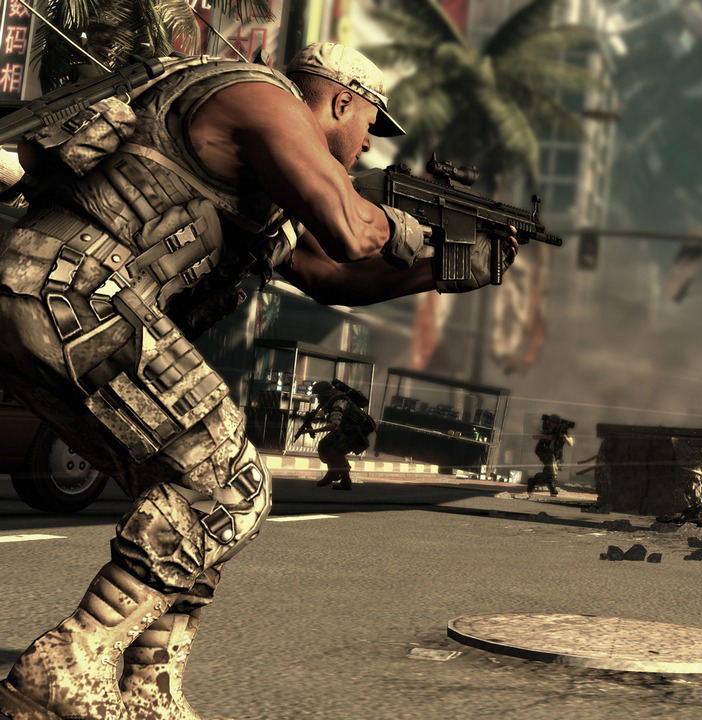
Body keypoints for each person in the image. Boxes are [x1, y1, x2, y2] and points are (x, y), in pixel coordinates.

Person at [0, 42, 517, 720]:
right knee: (227, 482)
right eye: (369, 126)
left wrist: (450, 269)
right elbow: (352, 230)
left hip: (50, 297)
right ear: (341, 102)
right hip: (77, 292)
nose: (367, 146)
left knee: (192, 498)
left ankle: (149, 689)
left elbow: (329, 276)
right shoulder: (261, 100)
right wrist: (414, 230)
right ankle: (71, 659)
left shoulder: (265, 177)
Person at [306, 380, 376, 491]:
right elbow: (324, 411)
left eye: (319, 394)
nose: (318, 398)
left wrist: (313, 430)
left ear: (325, 393)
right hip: (346, 430)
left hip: (354, 433)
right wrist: (314, 417)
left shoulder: (338, 402)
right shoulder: (334, 399)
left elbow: (333, 425)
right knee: (324, 445)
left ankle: (336, 475)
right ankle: (340, 478)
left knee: (334, 453)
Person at [527, 414, 575, 496]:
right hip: (543, 451)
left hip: (556, 454)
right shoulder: (546, 428)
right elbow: (534, 436)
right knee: (552, 471)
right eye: (552, 423)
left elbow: (571, 443)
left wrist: (565, 437)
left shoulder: (562, 430)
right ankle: (551, 487)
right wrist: (547, 437)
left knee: (549, 473)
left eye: (555, 424)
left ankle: (533, 481)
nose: (553, 425)